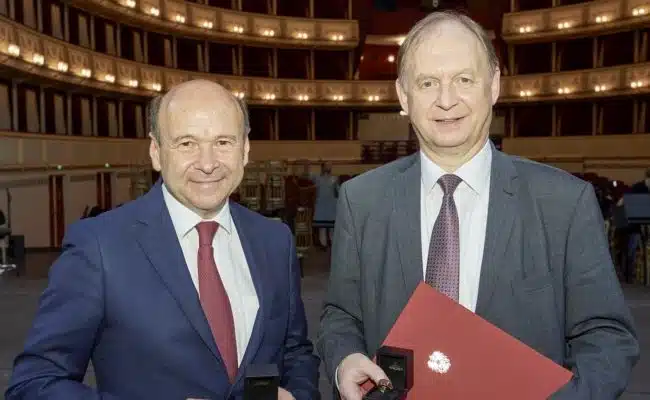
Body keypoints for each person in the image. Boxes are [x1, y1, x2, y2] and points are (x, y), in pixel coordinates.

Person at [316, 10, 639, 400]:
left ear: (494, 85)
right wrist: (344, 359)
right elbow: (341, 316)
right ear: (404, 96)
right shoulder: (361, 200)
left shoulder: (564, 202)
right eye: (428, 82)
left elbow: (606, 337)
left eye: (464, 79)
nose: (446, 100)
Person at [6, 79, 320, 400]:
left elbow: (296, 352)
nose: (208, 163)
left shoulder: (274, 239)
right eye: (187, 143)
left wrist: (298, 394)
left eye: (223, 142)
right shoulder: (99, 246)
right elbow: (34, 383)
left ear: (246, 150)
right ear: (156, 153)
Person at [309, 162, 339, 249]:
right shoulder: (317, 178)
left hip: (331, 205)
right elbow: (307, 175)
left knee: (331, 228)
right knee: (322, 228)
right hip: (321, 205)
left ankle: (332, 244)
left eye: (329, 166)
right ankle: (323, 245)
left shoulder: (334, 178)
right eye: (327, 166)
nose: (328, 167)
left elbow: (338, 191)